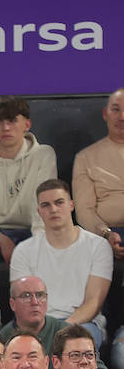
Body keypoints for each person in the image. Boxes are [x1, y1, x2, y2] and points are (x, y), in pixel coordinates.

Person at [10, 179, 111, 347]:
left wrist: (59, 330)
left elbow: (93, 302)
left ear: (71, 205)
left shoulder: (98, 246)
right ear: (39, 211)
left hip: (82, 323)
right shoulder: (24, 250)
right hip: (36, 323)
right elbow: (22, 302)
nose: (53, 209)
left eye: (59, 202)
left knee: (73, 345)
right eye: (46, 205)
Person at [0, 96, 57, 263]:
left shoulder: (44, 155)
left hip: (35, 230)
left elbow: (44, 202)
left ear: (27, 125)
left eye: (12, 121)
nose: (5, 128)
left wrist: (37, 244)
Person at [0, 277, 111, 369]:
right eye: (26, 296)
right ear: (12, 304)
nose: (35, 302)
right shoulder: (1, 340)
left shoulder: (69, 334)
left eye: (40, 295)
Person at [71, 89, 124, 253]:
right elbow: (84, 210)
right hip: (107, 233)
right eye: (116, 109)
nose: (122, 117)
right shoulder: (85, 157)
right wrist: (105, 234)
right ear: (105, 114)